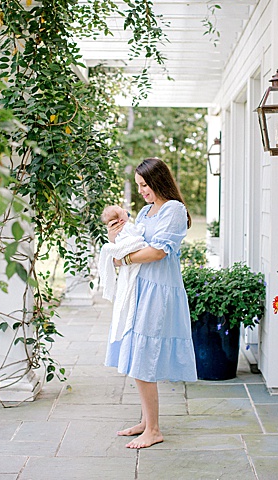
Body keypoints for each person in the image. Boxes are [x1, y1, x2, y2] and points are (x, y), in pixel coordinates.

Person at [103, 158, 197, 449]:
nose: (142, 191)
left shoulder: (174, 210)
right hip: (139, 289)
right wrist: (116, 237)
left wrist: (126, 258)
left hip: (160, 292)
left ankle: (154, 429)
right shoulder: (145, 212)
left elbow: (157, 252)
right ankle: (146, 421)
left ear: (158, 181)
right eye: (139, 185)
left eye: (145, 185)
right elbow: (128, 244)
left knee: (144, 356)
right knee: (135, 353)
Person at [98, 205, 148, 346]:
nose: (127, 214)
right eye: (124, 213)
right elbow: (140, 232)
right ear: (120, 220)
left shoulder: (124, 229)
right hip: (132, 252)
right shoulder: (128, 227)